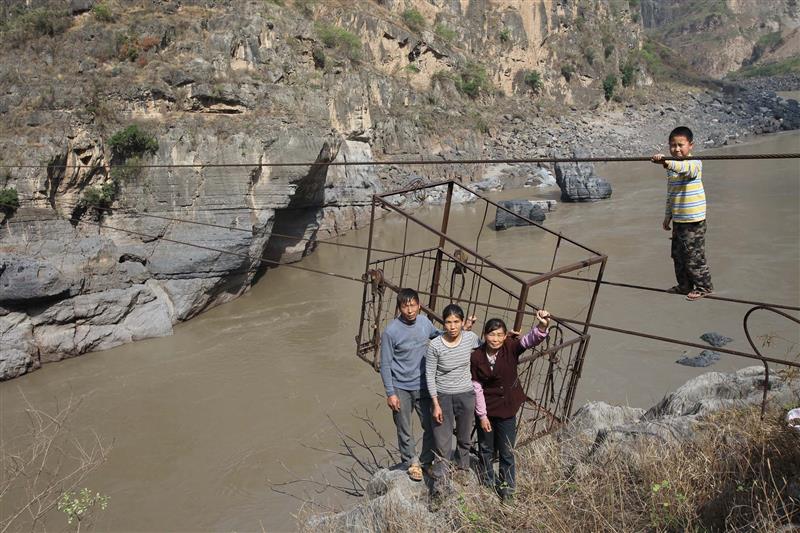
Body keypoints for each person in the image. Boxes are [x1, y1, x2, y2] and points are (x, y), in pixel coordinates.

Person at [471, 310, 551, 501]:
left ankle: (507, 488)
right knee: (486, 448)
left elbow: (530, 340)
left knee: (507, 451)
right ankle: (488, 482)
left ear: (506, 335)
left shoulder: (511, 348)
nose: (496, 339)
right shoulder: (477, 357)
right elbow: (476, 387)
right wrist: (482, 416)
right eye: (491, 334)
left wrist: (542, 326)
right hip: (487, 409)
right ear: (484, 335)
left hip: (507, 408)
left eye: (500, 334)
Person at [651, 126, 713, 301]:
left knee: (694, 255)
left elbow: (687, 169)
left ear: (691, 145)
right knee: (677, 255)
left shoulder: (695, 163)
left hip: (693, 220)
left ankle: (705, 287)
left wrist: (665, 162)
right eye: (673, 145)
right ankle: (684, 285)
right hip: (679, 219)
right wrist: (667, 215)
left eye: (681, 145)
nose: (676, 149)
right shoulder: (672, 167)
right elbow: (671, 193)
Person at [425, 303, 480, 497]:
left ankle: (463, 469)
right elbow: (430, 374)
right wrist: (436, 403)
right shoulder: (435, 345)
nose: (452, 326)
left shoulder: (470, 338)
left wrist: (512, 340)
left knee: (465, 437)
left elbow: (489, 348)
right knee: (442, 441)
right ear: (444, 324)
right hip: (443, 396)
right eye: (448, 322)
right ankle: (440, 481)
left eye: (456, 322)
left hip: (465, 395)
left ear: (463, 323)